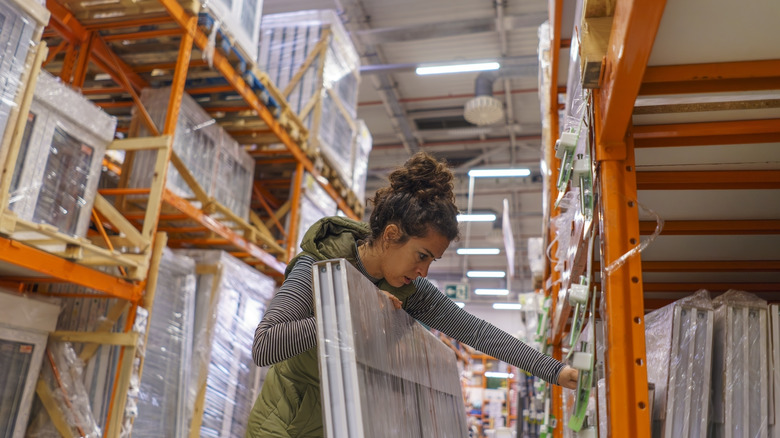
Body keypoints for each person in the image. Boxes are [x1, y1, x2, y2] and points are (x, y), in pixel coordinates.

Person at [246, 152, 578, 437]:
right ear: (391, 235)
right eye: (422, 255)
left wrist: (555, 371)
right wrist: (355, 313)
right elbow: (265, 345)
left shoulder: (407, 289)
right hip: (283, 425)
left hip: (341, 423)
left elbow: (476, 331)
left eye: (431, 260)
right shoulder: (317, 266)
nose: (424, 271)